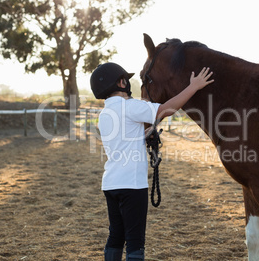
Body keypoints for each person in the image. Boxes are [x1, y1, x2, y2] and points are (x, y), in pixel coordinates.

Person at [90, 62, 214, 261]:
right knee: (135, 242)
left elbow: (124, 140)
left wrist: (143, 135)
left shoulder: (104, 114)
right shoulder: (130, 106)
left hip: (111, 184)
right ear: (121, 83)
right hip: (132, 185)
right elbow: (166, 109)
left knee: (116, 236)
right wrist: (194, 86)